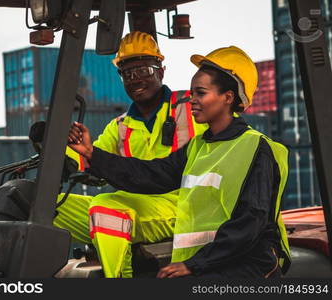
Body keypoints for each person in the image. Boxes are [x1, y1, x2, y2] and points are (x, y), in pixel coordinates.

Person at [67, 45, 291, 278]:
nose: (191, 100)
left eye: (200, 93)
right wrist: (91, 153)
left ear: (228, 97)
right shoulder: (198, 147)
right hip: (208, 261)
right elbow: (153, 175)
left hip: (248, 264)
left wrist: (194, 265)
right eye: (192, 93)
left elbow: (250, 222)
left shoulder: (256, 148)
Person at [54, 31, 207, 278]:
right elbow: (87, 157)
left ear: (161, 70)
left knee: (106, 208)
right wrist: (59, 151)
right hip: (137, 209)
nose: (136, 79)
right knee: (50, 207)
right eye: (127, 73)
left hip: (186, 205)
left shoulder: (192, 108)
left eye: (144, 70)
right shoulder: (120, 126)